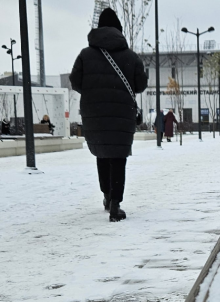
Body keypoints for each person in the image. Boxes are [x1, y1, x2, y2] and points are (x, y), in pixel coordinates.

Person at [70, 8, 147, 222]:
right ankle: (116, 204)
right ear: (119, 31)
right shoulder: (131, 57)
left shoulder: (85, 55)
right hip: (122, 114)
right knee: (118, 157)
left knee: (102, 153)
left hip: (94, 113)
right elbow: (140, 85)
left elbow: (75, 82)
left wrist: (95, 92)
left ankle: (106, 195)